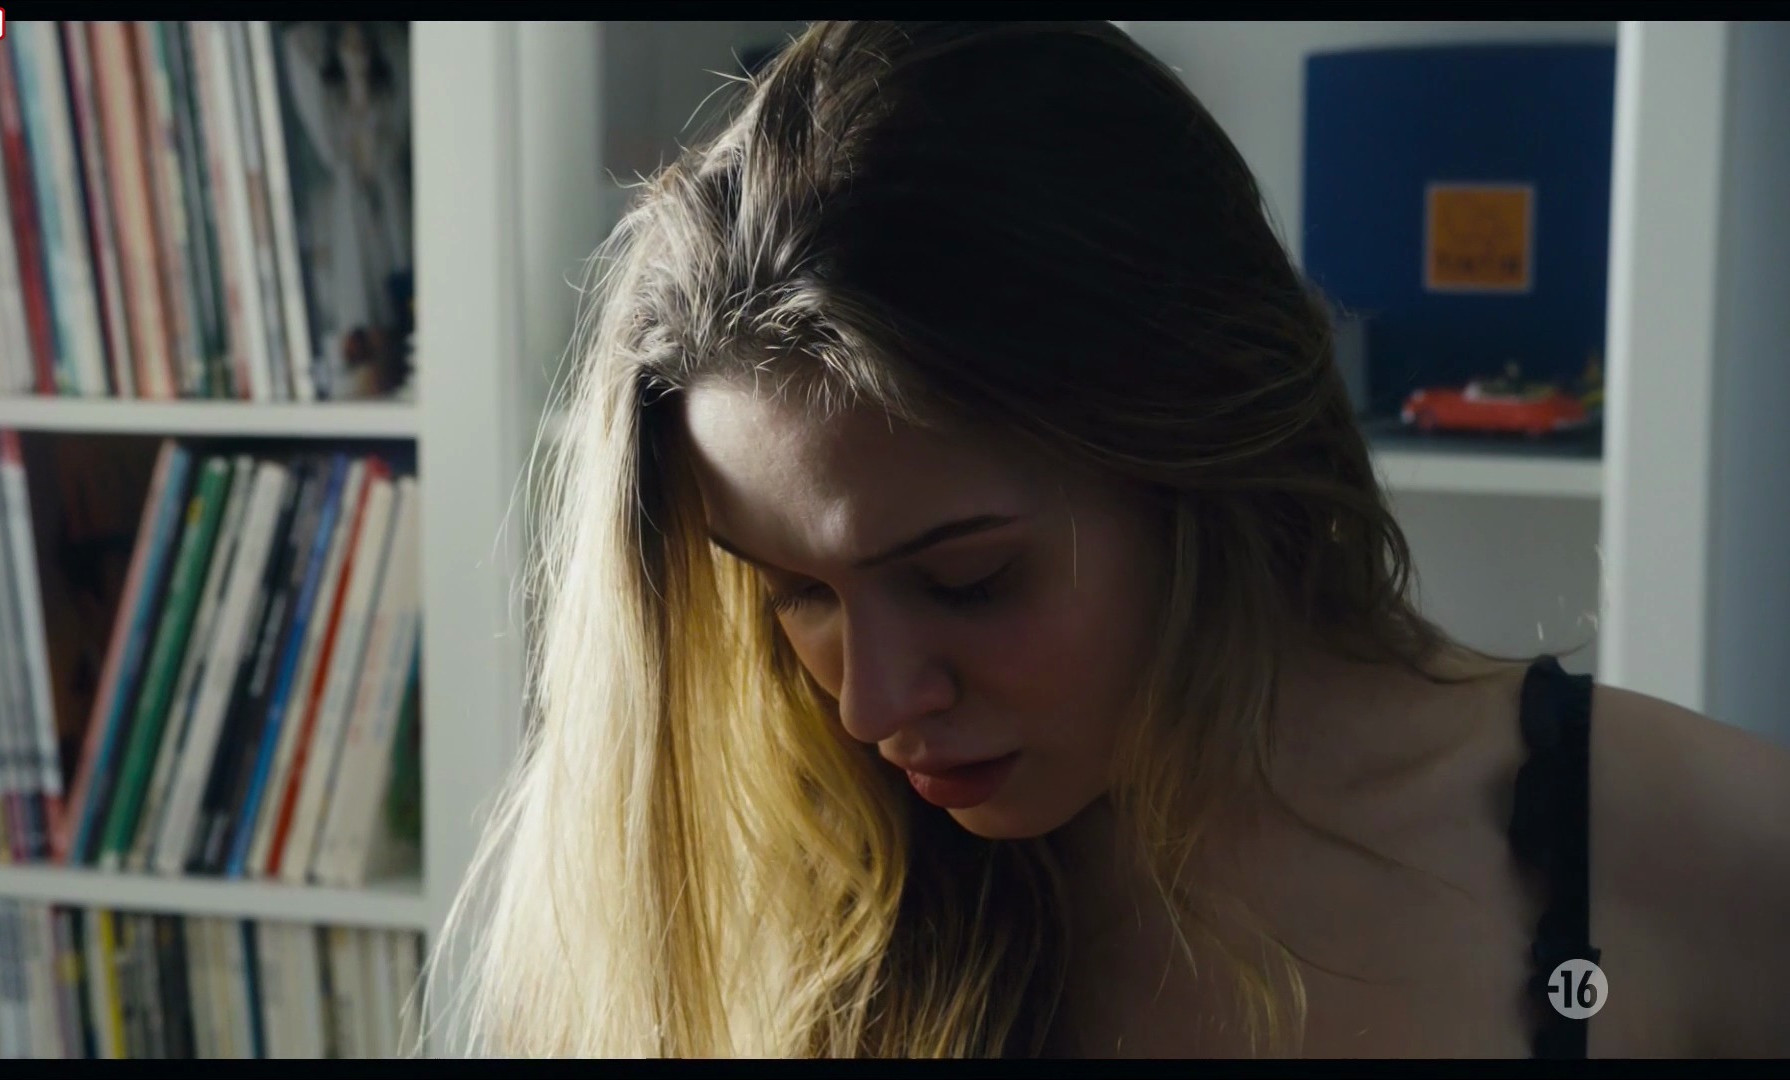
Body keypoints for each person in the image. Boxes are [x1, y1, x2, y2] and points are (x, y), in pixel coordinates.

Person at [436, 21, 1790, 1058]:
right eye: (795, 593)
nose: (870, 706)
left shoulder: (1705, 852)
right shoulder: (806, 888)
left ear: (1206, 460)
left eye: (967, 579)